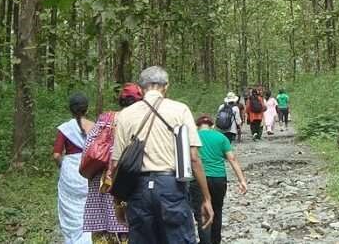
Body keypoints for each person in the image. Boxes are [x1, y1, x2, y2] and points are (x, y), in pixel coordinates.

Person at [110, 66, 214, 244]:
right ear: (166, 87)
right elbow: (194, 158)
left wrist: (118, 203)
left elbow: (116, 165)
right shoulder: (180, 110)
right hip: (171, 187)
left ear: (141, 88)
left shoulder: (125, 115)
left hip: (138, 190)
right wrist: (206, 198)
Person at [82, 83, 143, 243]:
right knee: (127, 227)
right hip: (126, 178)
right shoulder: (140, 121)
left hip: (101, 180)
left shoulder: (105, 118)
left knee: (103, 230)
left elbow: (88, 147)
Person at [190, 114, 248, 244]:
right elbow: (232, 159)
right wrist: (242, 180)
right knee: (217, 210)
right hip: (219, 179)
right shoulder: (221, 137)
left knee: (203, 214)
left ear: (196, 126)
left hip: (198, 179)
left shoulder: (192, 137)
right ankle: (215, 241)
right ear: (213, 125)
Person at [53, 93, 95, 244]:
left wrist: (63, 167)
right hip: (89, 171)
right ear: (87, 109)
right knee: (89, 206)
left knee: (71, 208)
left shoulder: (65, 129)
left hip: (70, 172)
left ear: (70, 109)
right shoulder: (95, 127)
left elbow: (57, 155)